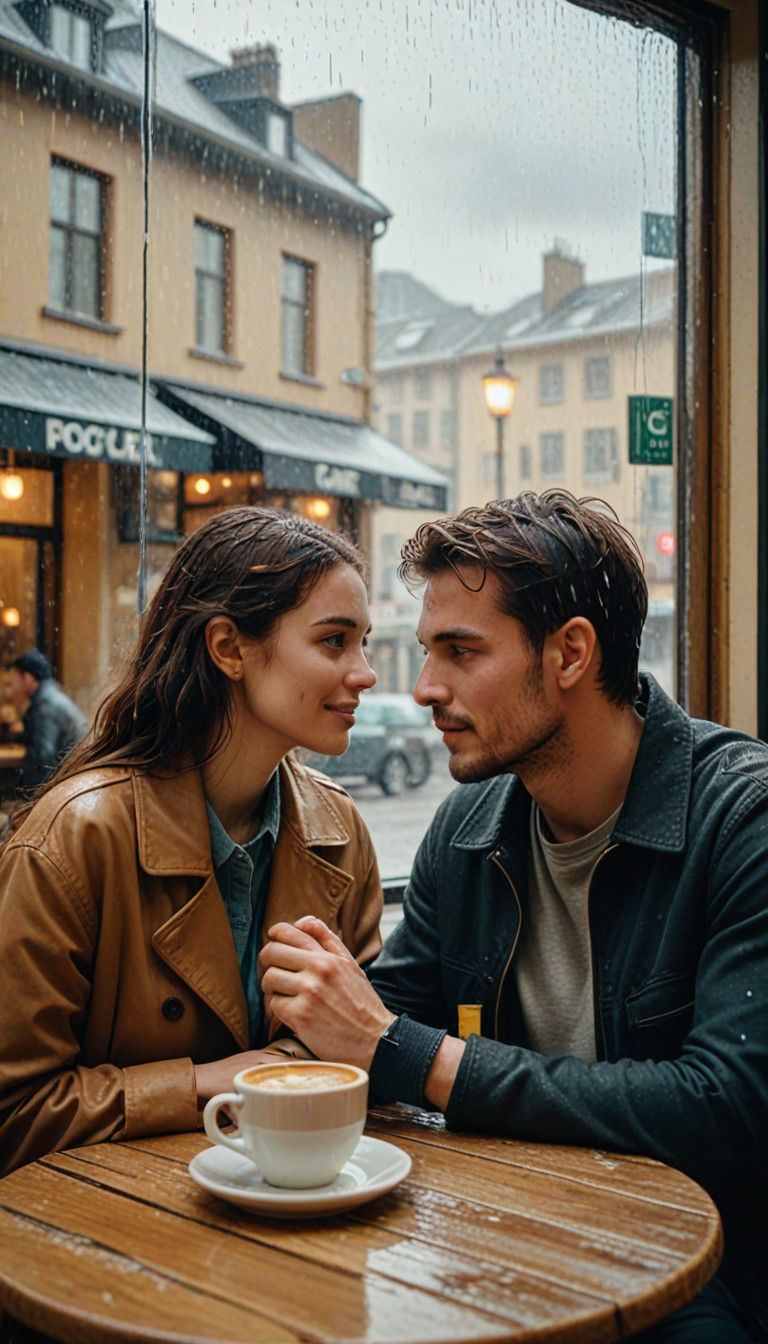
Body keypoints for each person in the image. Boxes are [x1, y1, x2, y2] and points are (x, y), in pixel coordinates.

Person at [259, 491, 768, 1344]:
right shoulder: (471, 825)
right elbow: (388, 1014)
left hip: (706, 1265)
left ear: (570, 653)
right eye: (427, 653)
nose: (423, 689)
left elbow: (723, 1109)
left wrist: (403, 1051)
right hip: (508, 1231)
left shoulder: (740, 818)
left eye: (461, 652)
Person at [0, 506, 381, 1174]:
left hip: (290, 1226)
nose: (366, 671)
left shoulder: (340, 833)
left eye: (364, 642)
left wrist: (279, 1066)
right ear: (229, 647)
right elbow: (13, 1113)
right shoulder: (73, 841)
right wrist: (217, 1080)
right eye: (333, 642)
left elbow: (361, 1043)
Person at [8, 648, 88, 789]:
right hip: (74, 779)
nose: (12, 684)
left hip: (70, 783)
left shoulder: (46, 705)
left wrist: (27, 800)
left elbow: (43, 761)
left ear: (27, 677)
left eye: (14, 677)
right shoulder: (48, 698)